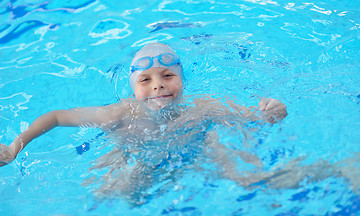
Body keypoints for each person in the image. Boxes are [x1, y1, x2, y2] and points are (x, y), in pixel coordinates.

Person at [0, 42, 289, 204]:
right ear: (133, 88)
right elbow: (56, 117)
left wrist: (271, 112)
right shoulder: (117, 115)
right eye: (145, 80)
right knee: (125, 197)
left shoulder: (203, 107)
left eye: (168, 75)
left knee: (250, 179)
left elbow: (255, 116)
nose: (158, 86)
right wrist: (14, 148)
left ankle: (330, 172)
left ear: (182, 80)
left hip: (198, 150)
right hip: (139, 154)